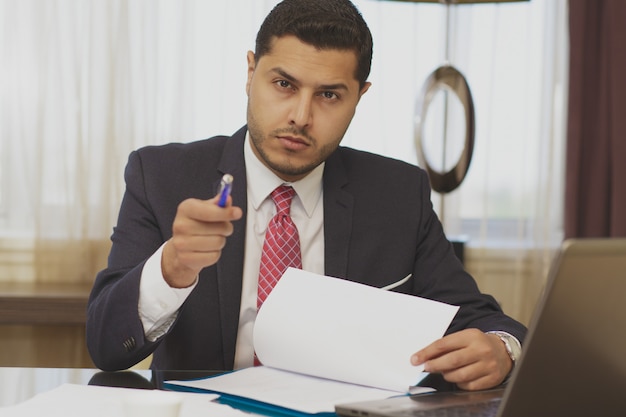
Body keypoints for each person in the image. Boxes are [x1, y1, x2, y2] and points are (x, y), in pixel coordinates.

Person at [86, 0, 526, 391]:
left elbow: (480, 319)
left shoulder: (397, 193)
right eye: (284, 85)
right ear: (250, 72)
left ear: (360, 96)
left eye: (329, 95)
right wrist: (172, 268)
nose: (301, 116)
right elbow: (106, 347)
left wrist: (501, 349)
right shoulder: (161, 176)